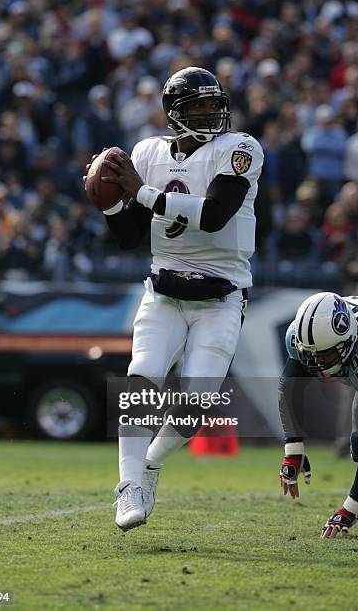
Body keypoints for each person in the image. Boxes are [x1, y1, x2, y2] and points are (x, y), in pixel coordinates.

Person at [84, 66, 264, 531]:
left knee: (196, 402)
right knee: (140, 376)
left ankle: (151, 463)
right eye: (197, 106)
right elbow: (128, 237)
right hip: (163, 290)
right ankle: (127, 486)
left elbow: (215, 216)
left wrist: (139, 192)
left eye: (213, 103)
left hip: (220, 295)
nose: (210, 112)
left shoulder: (240, 149)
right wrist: (109, 203)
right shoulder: (147, 152)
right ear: (173, 114)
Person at [278, 292, 358, 538]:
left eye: (324, 355)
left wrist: (350, 508)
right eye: (311, 354)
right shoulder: (303, 338)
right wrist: (293, 452)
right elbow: (289, 388)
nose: (316, 362)